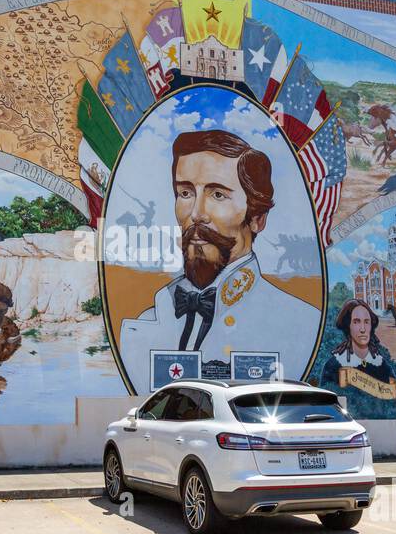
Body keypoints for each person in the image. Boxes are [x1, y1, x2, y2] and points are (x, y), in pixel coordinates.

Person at [118, 129, 319, 391]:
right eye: (186, 193)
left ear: (258, 218)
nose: (197, 214)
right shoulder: (147, 321)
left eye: (218, 195)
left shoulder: (301, 323)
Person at [321, 298, 395, 389]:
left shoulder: (383, 366)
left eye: (366, 322)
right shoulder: (333, 367)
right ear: (348, 326)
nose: (363, 329)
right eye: (356, 322)